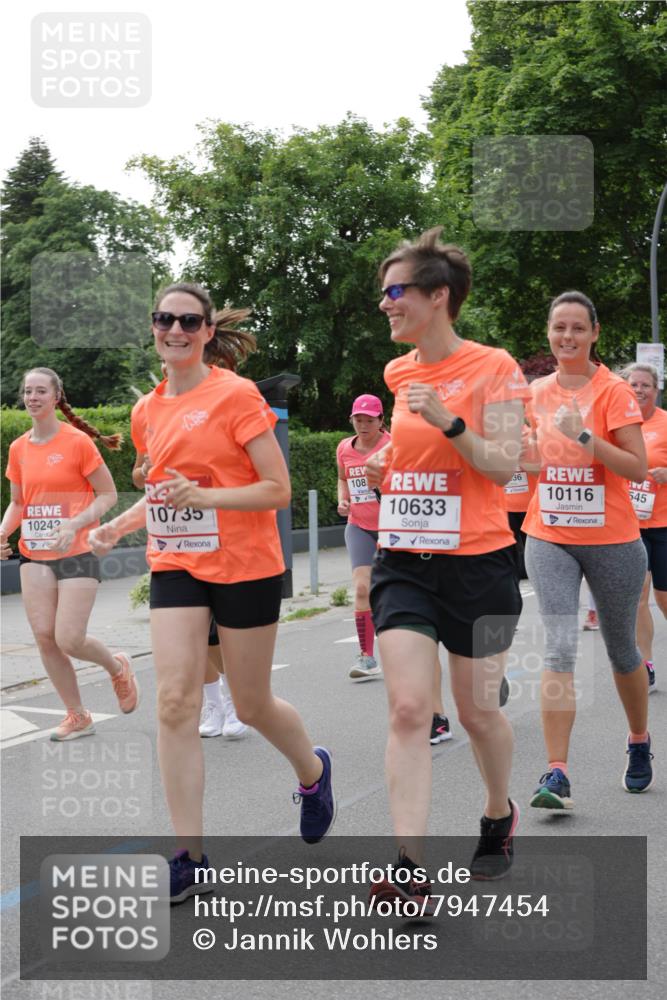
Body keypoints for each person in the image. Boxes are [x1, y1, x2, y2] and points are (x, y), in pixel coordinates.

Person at [89, 283, 335, 902]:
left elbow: (276, 489)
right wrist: (119, 523)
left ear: (205, 331)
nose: (174, 329)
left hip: (246, 562)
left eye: (188, 321)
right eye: (163, 319)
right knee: (174, 702)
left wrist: (209, 497)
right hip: (177, 562)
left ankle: (312, 771)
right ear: (153, 326)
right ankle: (188, 853)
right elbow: (165, 490)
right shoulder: (146, 409)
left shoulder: (235, 394)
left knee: (251, 704)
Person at [364, 227, 528, 909]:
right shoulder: (397, 373)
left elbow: (506, 464)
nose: (385, 304)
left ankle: (497, 814)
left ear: (438, 297)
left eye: (395, 292)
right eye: (383, 294)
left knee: (478, 710)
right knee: (407, 708)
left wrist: (452, 423)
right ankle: (409, 867)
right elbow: (412, 458)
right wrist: (385, 470)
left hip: (481, 566)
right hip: (404, 560)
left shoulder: (495, 367)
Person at [523, 291, 651, 812]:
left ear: (594, 334)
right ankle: (556, 771)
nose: (567, 337)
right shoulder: (535, 392)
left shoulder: (614, 391)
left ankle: (639, 741)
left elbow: (636, 468)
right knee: (558, 647)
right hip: (549, 533)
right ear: (549, 332)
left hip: (613, 540)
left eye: (578, 328)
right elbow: (531, 462)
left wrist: (584, 435)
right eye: (559, 328)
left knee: (623, 651)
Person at [0, 368, 138, 740]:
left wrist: (74, 524)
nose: (32, 397)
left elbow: (107, 496)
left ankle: (117, 667)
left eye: (41, 391)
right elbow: (17, 502)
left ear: (56, 396)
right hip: (34, 553)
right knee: (45, 636)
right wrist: (1, 531)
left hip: (77, 550)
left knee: (69, 638)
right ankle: (77, 715)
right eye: (28, 391)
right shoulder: (18, 448)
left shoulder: (77, 442)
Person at [131, 424, 246, 739]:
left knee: (216, 637)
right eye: (165, 369)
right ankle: (215, 705)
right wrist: (145, 470)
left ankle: (235, 699)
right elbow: (138, 475)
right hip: (172, 541)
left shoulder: (206, 417)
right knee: (194, 640)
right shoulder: (149, 417)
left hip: (213, 537)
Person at [336, 393, 391, 681]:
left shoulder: (393, 446)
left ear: (381, 421)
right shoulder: (345, 447)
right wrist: (342, 500)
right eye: (358, 419)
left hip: (394, 528)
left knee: (395, 593)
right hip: (359, 526)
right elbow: (343, 478)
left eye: (369, 420)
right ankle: (367, 657)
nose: (363, 425)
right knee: (361, 589)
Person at [622, 362, 667, 693]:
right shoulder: (618, 424)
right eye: (633, 384)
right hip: (629, 524)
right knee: (639, 596)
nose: (638, 390)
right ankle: (646, 665)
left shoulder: (665, 423)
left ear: (656, 389)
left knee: (663, 597)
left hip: (663, 522)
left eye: (645, 385)